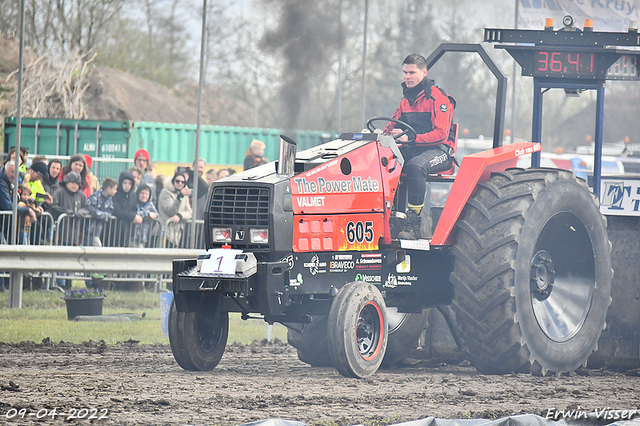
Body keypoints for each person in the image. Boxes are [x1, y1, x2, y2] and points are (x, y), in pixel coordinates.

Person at [384, 53, 456, 240]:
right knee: (384, 161)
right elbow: (391, 125)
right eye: (405, 72)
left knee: (415, 166)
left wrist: (410, 139)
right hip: (413, 149)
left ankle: (414, 223)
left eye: (412, 72)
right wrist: (382, 136)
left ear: (424, 72)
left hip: (440, 151)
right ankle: (390, 218)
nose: (407, 76)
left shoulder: (439, 98)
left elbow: (441, 134)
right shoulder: (405, 101)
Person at [158, 172, 192, 248]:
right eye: (177, 181)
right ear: (173, 181)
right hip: (164, 232)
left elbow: (190, 212)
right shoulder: (165, 192)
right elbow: (171, 211)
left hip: (177, 233)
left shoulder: (184, 194)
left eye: (182, 182)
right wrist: (180, 197)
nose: (180, 183)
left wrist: (180, 216)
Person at [85, 177, 117, 246]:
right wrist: (104, 215)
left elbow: (111, 211)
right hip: (90, 230)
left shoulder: (109, 199)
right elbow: (92, 210)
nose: (116, 191)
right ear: (109, 189)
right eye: (114, 189)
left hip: (100, 230)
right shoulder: (95, 196)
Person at [112, 171, 139, 246]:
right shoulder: (115, 194)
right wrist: (132, 216)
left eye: (129, 183)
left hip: (127, 231)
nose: (127, 186)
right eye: (125, 183)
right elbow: (116, 210)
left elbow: (135, 208)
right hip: (114, 230)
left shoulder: (133, 195)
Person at [131, 183, 159, 247]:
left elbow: (156, 214)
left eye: (146, 194)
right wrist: (147, 215)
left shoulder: (150, 204)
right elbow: (137, 214)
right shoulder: (133, 203)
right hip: (132, 236)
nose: (144, 195)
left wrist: (151, 215)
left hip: (144, 237)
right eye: (142, 193)